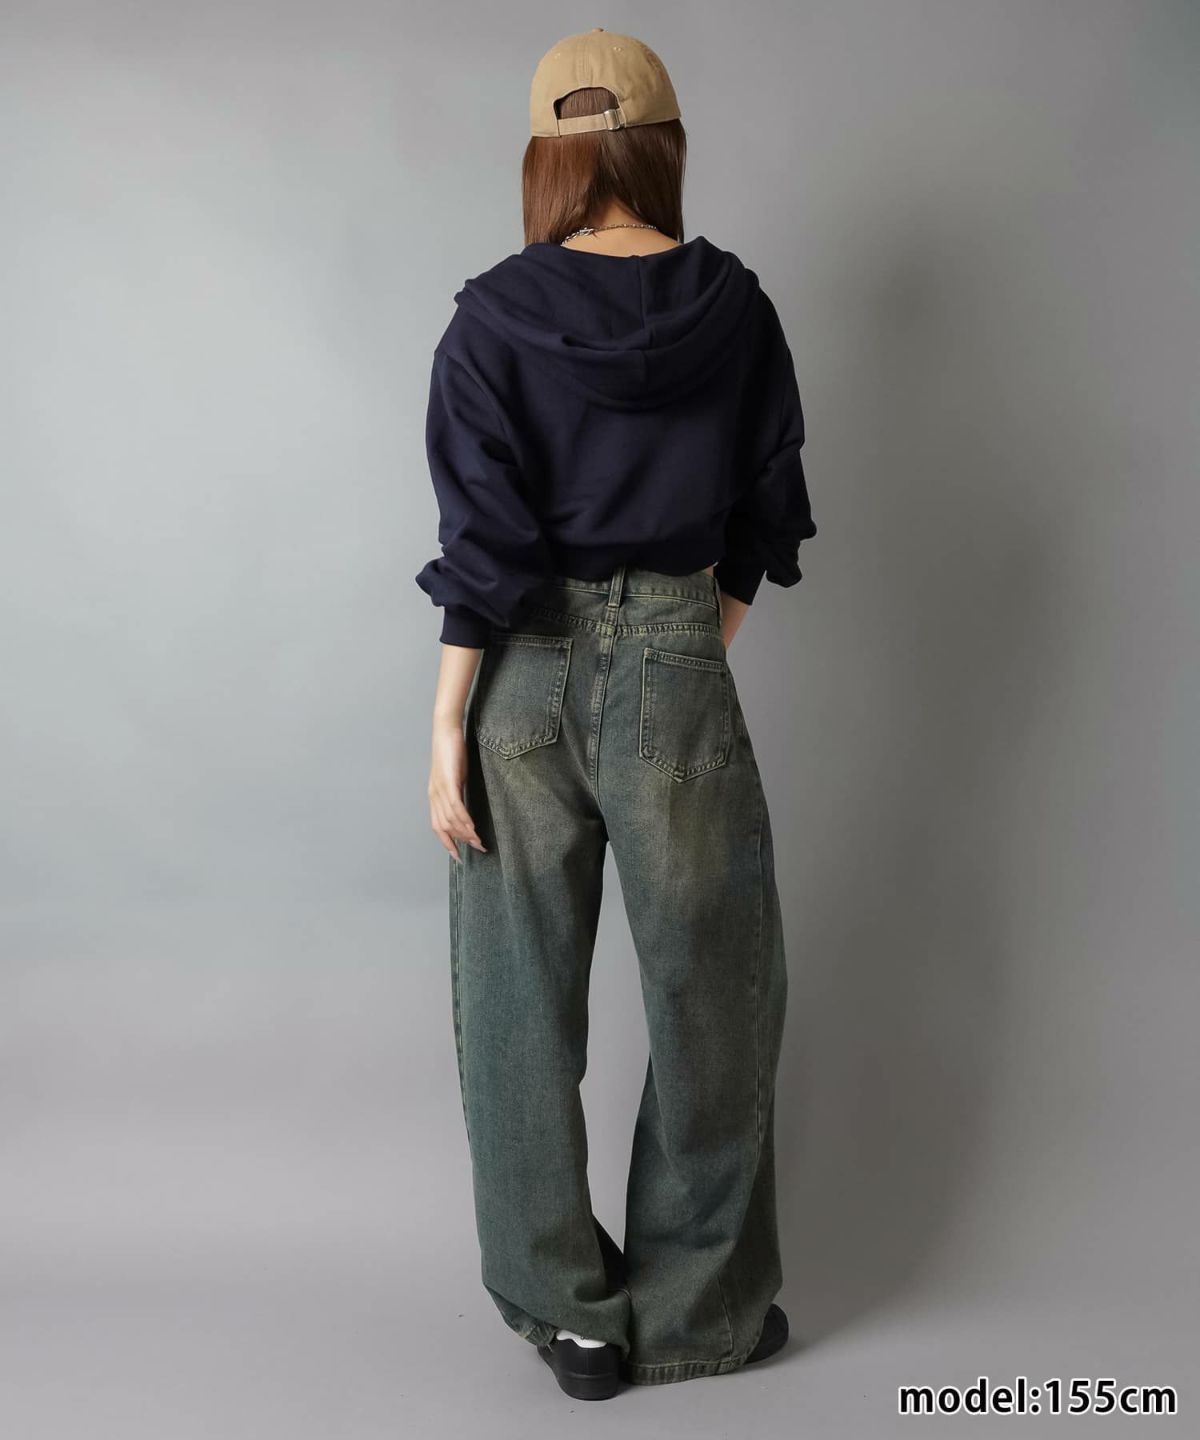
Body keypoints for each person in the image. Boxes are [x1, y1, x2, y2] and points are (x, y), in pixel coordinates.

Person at [415, 28, 816, 1400]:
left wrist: (445, 732)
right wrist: (682, 646)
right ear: (663, 145)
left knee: (515, 1000)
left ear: (548, 156)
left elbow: (481, 550)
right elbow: (767, 512)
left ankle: (572, 1320)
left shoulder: (490, 318)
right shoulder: (736, 308)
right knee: (715, 990)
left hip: (517, 671)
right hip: (675, 661)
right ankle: (698, 1311)